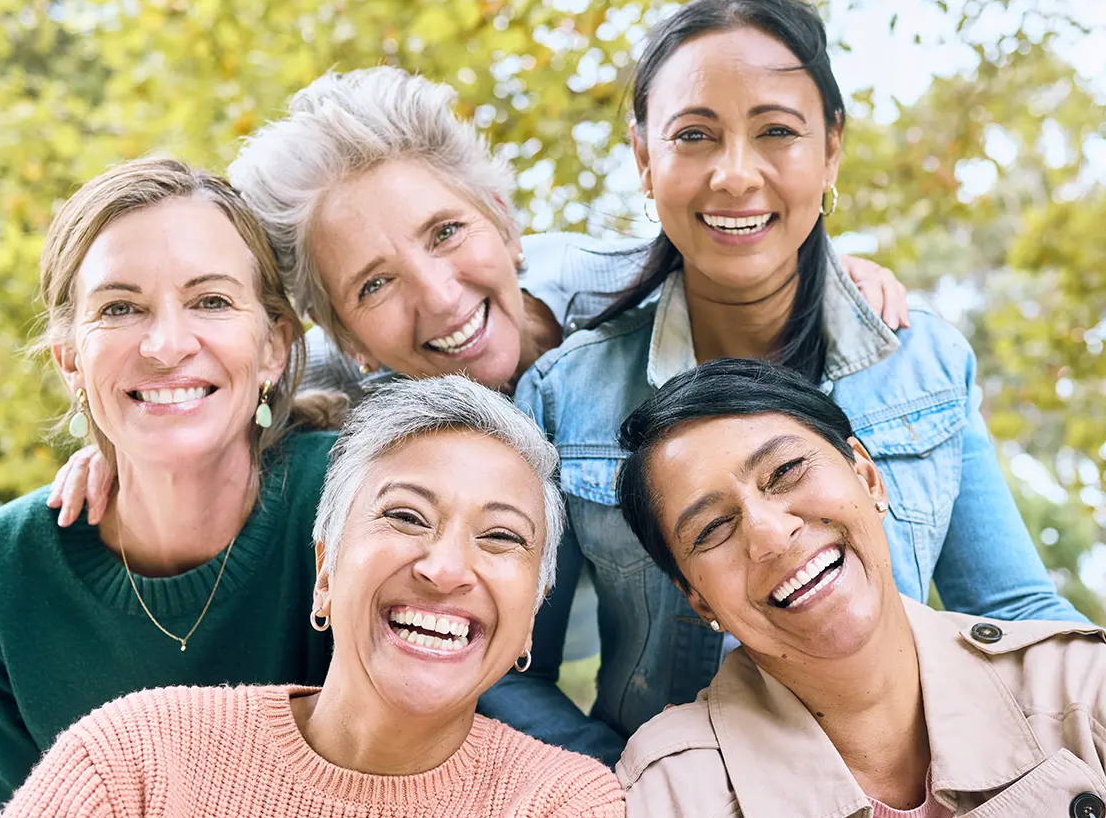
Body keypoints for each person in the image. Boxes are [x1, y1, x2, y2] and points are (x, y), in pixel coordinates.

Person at [494, 0, 1085, 765]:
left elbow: (1018, 612)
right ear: (643, 157)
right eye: (694, 135)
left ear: (832, 147)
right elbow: (512, 663)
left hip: (906, 794)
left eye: (776, 131)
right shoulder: (566, 394)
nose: (735, 174)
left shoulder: (923, 360)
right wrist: (634, 789)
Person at [46, 63, 908, 527]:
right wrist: (125, 451)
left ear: (501, 216)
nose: (439, 296)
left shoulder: (634, 284)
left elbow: (751, 245)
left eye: (447, 232)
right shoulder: (350, 403)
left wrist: (833, 272)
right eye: (375, 283)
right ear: (346, 335)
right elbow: (219, 394)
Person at [0, 377, 627, 818]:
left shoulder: (562, 814)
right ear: (325, 570)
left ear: (532, 613)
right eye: (405, 516)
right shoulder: (133, 756)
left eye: (501, 536)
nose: (446, 567)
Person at [0, 157, 340, 818]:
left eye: (211, 301)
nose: (165, 345)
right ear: (70, 360)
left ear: (274, 346)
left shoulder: (352, 501)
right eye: (120, 308)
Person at [615, 358, 1106, 818]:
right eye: (713, 528)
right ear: (697, 598)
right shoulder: (674, 798)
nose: (770, 535)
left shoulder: (1079, 687)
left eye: (785, 472)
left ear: (868, 478)